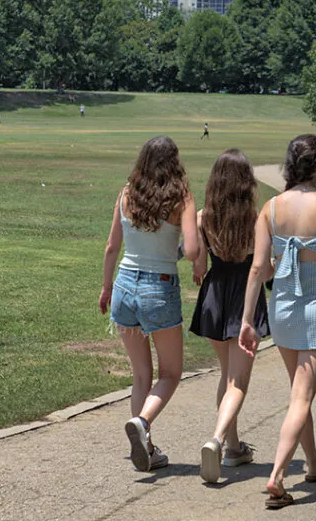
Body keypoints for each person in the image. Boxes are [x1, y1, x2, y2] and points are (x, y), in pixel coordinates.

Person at [239, 134, 316, 509]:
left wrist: (246, 320)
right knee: (301, 396)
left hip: (282, 308)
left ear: (290, 165)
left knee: (299, 393)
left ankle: (314, 463)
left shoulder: (270, 208)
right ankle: (277, 476)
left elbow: (259, 268)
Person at [98, 136, 200, 471]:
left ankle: (147, 448)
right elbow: (193, 249)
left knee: (141, 374)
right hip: (159, 288)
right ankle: (142, 424)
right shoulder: (181, 198)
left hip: (125, 284)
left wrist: (106, 287)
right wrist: (183, 253)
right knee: (171, 373)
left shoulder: (127, 193)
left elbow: (112, 247)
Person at [192, 150, 270, 484]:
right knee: (238, 381)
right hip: (244, 298)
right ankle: (218, 440)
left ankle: (235, 447)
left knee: (226, 374)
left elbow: (198, 268)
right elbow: (264, 270)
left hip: (214, 294)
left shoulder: (202, 217)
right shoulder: (257, 217)